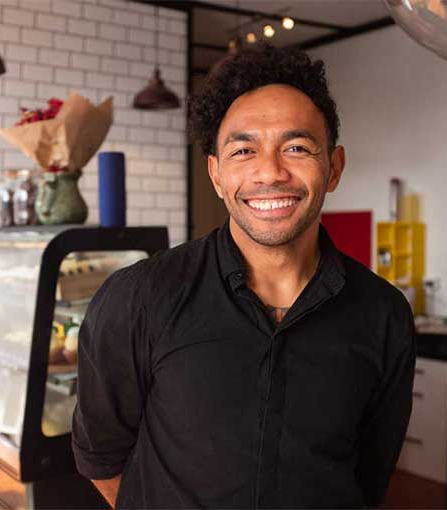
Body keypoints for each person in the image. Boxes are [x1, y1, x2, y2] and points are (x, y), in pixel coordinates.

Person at [71, 44, 416, 509]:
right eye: (243, 150)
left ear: (333, 168)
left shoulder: (383, 313)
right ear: (216, 174)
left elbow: (369, 474)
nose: (270, 172)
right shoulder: (140, 297)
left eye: (296, 147)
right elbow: (103, 458)